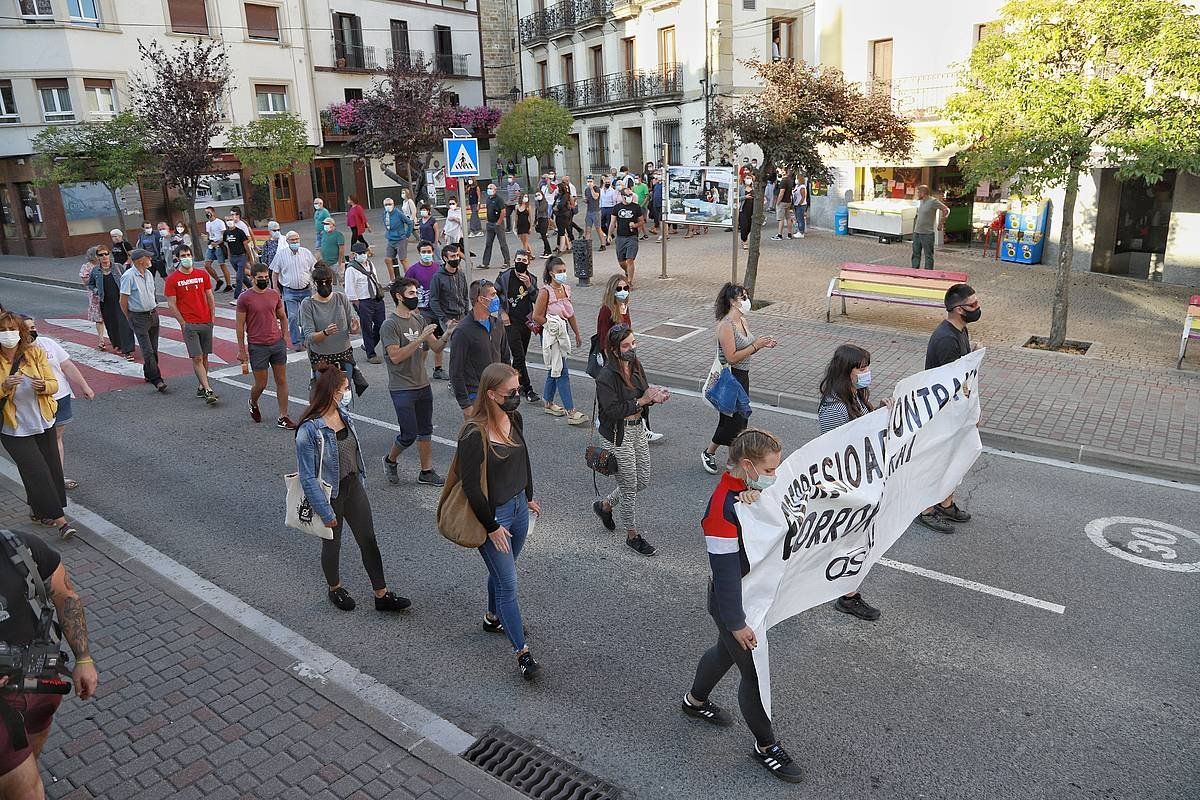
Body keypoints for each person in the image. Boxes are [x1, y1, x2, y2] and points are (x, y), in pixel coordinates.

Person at [684, 428, 804, 784]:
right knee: (752, 675)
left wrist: (755, 494)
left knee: (724, 653)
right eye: (769, 471)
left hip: (743, 599)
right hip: (733, 605)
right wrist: (737, 623)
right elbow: (723, 575)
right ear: (748, 465)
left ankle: (694, 701)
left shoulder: (743, 488)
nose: (774, 477)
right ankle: (765, 747)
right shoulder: (722, 510)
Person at [295, 365, 411, 613]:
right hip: (330, 493)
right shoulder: (309, 430)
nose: (349, 393)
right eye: (345, 389)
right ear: (333, 392)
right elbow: (307, 476)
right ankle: (334, 588)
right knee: (332, 544)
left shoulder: (344, 413)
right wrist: (325, 512)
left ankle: (381, 594)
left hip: (352, 485)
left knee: (368, 539)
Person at [457, 363, 542, 680]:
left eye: (518, 390)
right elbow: (471, 487)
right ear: (491, 394)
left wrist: (529, 494)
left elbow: (524, 456)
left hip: (520, 509)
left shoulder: (515, 418)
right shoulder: (473, 434)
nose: (517, 397)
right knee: (509, 583)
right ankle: (522, 653)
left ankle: (493, 616)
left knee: (503, 570)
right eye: (511, 393)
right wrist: (491, 526)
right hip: (495, 517)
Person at [0, 529, 99, 796]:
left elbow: (66, 597)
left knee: (34, 743)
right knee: (27, 790)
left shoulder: (20, 547)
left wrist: (84, 659)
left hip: (42, 683)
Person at [816, 344, 886, 621]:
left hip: (858, 481)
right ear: (847, 372)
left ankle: (844, 590)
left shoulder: (853, 396)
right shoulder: (835, 406)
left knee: (853, 541)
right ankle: (848, 596)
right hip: (848, 485)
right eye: (862, 368)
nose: (867, 372)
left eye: (868, 366)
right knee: (853, 543)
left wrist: (879, 413)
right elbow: (836, 449)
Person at [0, 313, 76, 539]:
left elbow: (54, 384)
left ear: (21, 333)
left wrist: (44, 386)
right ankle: (61, 522)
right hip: (13, 428)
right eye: (3, 330)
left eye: (11, 330)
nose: (7, 335)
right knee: (38, 472)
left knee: (51, 469)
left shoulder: (35, 353)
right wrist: (4, 386)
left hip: (42, 421)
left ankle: (37, 509)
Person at [593, 324, 667, 556]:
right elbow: (613, 410)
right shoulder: (605, 376)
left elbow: (643, 392)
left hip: (637, 430)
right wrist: (643, 401)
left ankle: (605, 506)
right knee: (628, 486)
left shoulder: (635, 365)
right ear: (614, 349)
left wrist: (655, 396)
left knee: (642, 480)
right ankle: (632, 535)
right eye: (626, 345)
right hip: (618, 434)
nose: (632, 348)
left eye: (633, 343)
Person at [918, 283, 980, 533]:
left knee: (955, 457)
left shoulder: (960, 330)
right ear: (957, 309)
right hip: (941, 412)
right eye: (972, 305)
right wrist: (969, 412)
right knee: (938, 461)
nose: (977, 308)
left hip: (954, 411)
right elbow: (950, 385)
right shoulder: (946, 339)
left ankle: (945, 502)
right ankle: (925, 509)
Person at [380, 277, 452, 487]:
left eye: (417, 293)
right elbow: (395, 357)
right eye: (411, 294)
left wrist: (447, 333)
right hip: (402, 387)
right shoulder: (390, 325)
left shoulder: (419, 320)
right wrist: (420, 339)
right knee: (408, 434)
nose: (416, 297)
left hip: (422, 384)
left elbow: (437, 347)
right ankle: (390, 459)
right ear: (398, 296)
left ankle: (426, 471)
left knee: (425, 430)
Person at [701, 284, 776, 474]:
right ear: (732, 302)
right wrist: (756, 346)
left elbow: (748, 345)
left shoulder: (742, 320)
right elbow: (732, 356)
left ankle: (728, 457)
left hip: (743, 376)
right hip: (730, 377)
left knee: (739, 420)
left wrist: (763, 343)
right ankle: (714, 454)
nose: (746, 301)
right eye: (743, 298)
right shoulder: (726, 325)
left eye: (746, 296)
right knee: (732, 420)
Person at [22, 317, 94, 491]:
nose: (33, 331)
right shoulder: (16, 352)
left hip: (60, 397)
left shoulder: (47, 343)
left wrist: (84, 386)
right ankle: (44, 481)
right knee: (42, 442)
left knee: (56, 439)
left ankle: (57, 477)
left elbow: (66, 365)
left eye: (34, 327)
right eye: (28, 328)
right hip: (36, 402)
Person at [597, 274, 662, 441]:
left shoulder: (624, 306)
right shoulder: (606, 310)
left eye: (626, 288)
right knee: (620, 396)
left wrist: (631, 352)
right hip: (615, 360)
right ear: (612, 290)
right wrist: (614, 364)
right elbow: (604, 339)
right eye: (619, 289)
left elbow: (628, 331)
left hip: (628, 357)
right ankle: (608, 423)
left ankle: (644, 425)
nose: (623, 291)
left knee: (640, 388)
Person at [236, 262, 295, 429]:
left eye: (265, 277)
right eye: (259, 278)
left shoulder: (274, 294)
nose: (263, 280)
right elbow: (240, 326)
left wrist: (284, 336)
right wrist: (242, 351)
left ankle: (283, 416)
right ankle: (253, 401)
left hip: (276, 344)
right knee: (261, 384)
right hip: (257, 345)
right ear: (252, 278)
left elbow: (282, 316)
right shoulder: (245, 298)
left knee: (282, 380)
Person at [531, 257, 587, 425]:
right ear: (551, 273)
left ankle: (548, 402)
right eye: (559, 271)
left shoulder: (566, 289)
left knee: (554, 368)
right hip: (551, 334)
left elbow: (570, 314)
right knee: (561, 370)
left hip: (563, 332)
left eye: (564, 271)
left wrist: (577, 333)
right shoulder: (545, 292)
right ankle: (571, 411)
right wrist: (551, 325)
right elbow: (536, 316)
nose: (562, 274)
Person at [163, 245, 219, 405]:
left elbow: (210, 296)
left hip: (206, 321)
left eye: (188, 254)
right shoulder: (173, 279)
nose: (187, 257)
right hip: (189, 324)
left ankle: (202, 385)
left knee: (205, 356)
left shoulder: (202, 274)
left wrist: (212, 317)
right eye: (183, 255)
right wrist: (182, 323)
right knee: (197, 357)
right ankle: (208, 389)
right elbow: (171, 304)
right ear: (178, 258)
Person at [449, 279, 511, 413]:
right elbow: (456, 370)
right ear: (481, 300)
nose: (497, 298)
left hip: (497, 392)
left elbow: (505, 358)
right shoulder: (463, 331)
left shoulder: (497, 324)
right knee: (479, 433)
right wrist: (465, 405)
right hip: (476, 395)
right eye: (493, 295)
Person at [300, 264, 359, 388]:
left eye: (328, 282)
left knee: (344, 395)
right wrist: (325, 333)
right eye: (321, 283)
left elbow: (352, 327)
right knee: (325, 397)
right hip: (321, 357)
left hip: (344, 354)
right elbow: (310, 336)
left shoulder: (341, 298)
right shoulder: (308, 304)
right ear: (315, 284)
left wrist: (354, 329)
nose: (325, 285)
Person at [119, 248, 169, 393]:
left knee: (153, 348)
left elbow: (151, 293)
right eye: (148, 258)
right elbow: (123, 300)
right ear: (141, 260)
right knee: (147, 350)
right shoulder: (128, 276)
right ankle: (157, 379)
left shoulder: (148, 273)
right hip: (138, 316)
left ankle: (149, 373)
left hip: (153, 314)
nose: (150, 260)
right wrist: (129, 316)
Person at [496, 251, 540, 403]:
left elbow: (537, 299)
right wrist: (502, 313)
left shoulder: (532, 278)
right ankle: (528, 389)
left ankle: (512, 384)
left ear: (529, 262)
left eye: (524, 260)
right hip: (510, 322)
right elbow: (495, 295)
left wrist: (529, 285)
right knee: (519, 356)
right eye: (518, 259)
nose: (520, 262)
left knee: (519, 358)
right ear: (514, 260)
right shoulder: (505, 276)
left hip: (526, 322)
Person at [406, 242, 450, 380]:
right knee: (425, 342)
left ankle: (438, 368)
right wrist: (413, 308)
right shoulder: (413, 270)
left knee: (440, 339)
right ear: (419, 253)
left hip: (438, 309)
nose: (427, 254)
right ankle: (419, 369)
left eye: (429, 251)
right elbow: (405, 290)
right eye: (424, 252)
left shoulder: (438, 268)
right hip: (422, 310)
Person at [269, 230, 316, 351]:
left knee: (307, 316)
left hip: (306, 289)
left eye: (297, 239)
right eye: (292, 240)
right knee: (293, 317)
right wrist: (275, 288)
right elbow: (275, 273)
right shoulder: (281, 255)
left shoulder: (306, 253)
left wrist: (316, 283)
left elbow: (314, 269)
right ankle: (296, 341)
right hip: (290, 291)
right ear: (287, 241)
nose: (295, 242)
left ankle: (306, 338)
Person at [88, 247, 134, 361]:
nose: (104, 257)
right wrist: (96, 291)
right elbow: (91, 284)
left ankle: (127, 350)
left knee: (124, 325)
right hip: (106, 302)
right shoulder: (95, 271)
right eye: (101, 255)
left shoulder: (118, 267)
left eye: (106, 254)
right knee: (112, 325)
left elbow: (127, 278)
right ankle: (117, 344)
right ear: (97, 257)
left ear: (109, 255)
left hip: (120, 301)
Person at [344, 241, 386, 365]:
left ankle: (369, 345)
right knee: (367, 328)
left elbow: (376, 280)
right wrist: (358, 305)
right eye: (360, 253)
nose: (363, 255)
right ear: (354, 255)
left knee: (381, 325)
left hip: (376, 299)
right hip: (363, 301)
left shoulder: (371, 265)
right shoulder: (351, 269)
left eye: (364, 252)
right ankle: (370, 353)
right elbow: (350, 289)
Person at [609, 187, 645, 287]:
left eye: (631, 195)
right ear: (622, 196)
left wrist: (635, 225)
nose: (629, 197)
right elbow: (612, 222)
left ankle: (629, 281)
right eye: (627, 195)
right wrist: (609, 235)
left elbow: (642, 221)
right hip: (620, 237)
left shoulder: (636, 207)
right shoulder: (617, 207)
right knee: (621, 261)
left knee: (630, 259)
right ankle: (627, 271)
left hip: (632, 237)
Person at [912, 184, 950, 269]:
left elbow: (946, 210)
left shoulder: (933, 201)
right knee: (915, 253)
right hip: (917, 232)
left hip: (927, 233)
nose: (917, 194)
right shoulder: (921, 201)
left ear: (923, 192)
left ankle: (928, 273)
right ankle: (914, 271)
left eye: (918, 192)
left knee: (928, 255)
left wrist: (941, 223)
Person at [222, 212, 255, 303]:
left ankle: (237, 297)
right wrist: (229, 256)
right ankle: (253, 289)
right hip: (233, 257)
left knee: (239, 277)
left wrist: (250, 257)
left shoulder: (240, 232)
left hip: (241, 256)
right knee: (243, 276)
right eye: (227, 220)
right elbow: (228, 245)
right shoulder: (226, 233)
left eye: (231, 220)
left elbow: (246, 245)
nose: (229, 222)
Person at [78, 246, 105, 350]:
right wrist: (96, 277)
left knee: (111, 318)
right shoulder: (87, 267)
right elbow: (86, 282)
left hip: (108, 294)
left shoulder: (104, 264)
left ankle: (115, 339)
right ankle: (101, 340)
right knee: (99, 319)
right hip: (95, 296)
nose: (102, 256)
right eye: (99, 254)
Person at [381, 196, 414, 281]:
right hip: (391, 239)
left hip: (400, 239)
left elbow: (409, 223)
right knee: (388, 259)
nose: (388, 206)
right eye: (386, 204)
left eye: (390, 204)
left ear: (393, 204)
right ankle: (392, 280)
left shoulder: (398, 213)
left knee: (403, 259)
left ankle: (409, 279)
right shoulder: (385, 213)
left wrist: (407, 235)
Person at [482, 183, 511, 270]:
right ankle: (485, 263)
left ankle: (507, 261)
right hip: (490, 223)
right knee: (488, 244)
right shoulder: (488, 199)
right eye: (488, 188)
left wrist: (499, 222)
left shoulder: (499, 200)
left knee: (502, 243)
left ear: (495, 190)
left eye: (491, 188)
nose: (489, 190)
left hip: (498, 224)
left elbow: (503, 212)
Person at [202, 208, 230, 292]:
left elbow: (224, 235)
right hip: (211, 245)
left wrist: (218, 243)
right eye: (206, 213)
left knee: (222, 264)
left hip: (218, 244)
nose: (208, 214)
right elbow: (209, 234)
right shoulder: (207, 224)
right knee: (207, 265)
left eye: (209, 212)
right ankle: (218, 280)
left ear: (213, 212)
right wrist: (206, 238)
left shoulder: (220, 222)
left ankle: (228, 284)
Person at [318, 216, 346, 282]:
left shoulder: (338, 235)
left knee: (342, 279)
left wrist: (340, 262)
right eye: (324, 224)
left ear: (333, 225)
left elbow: (341, 249)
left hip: (335, 262)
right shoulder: (323, 233)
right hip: (326, 262)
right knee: (330, 280)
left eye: (327, 224)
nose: (325, 226)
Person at [771, 168, 794, 241]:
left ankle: (779, 235)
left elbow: (781, 193)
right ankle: (789, 234)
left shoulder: (783, 181)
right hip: (788, 201)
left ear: (784, 172)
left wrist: (777, 202)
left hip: (783, 202)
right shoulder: (790, 180)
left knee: (781, 219)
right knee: (788, 218)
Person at [598, 177, 618, 252]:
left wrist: (614, 209)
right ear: (603, 182)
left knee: (609, 224)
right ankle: (610, 235)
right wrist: (600, 207)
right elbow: (600, 199)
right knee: (602, 224)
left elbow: (614, 201)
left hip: (610, 208)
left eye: (608, 182)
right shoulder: (601, 190)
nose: (607, 184)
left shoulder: (612, 191)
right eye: (606, 182)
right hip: (603, 208)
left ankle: (608, 239)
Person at [533, 188, 552, 258]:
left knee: (544, 236)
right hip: (540, 219)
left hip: (544, 219)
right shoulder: (538, 202)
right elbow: (536, 212)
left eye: (539, 194)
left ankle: (548, 251)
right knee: (542, 236)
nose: (537, 196)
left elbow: (541, 209)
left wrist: (536, 203)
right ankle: (545, 251)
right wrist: (535, 221)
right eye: (536, 195)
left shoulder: (544, 202)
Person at [738, 176, 755, 250]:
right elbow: (736, 198)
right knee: (744, 226)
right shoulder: (741, 187)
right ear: (744, 179)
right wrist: (745, 197)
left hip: (752, 210)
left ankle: (744, 238)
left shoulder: (754, 188)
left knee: (749, 227)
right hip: (743, 209)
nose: (748, 180)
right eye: (747, 178)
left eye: (749, 178)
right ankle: (745, 241)